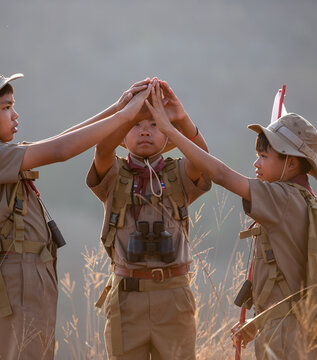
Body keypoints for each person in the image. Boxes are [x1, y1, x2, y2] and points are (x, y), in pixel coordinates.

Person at [0, 64, 154, 359]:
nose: (15, 115)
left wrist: (117, 107)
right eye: (6, 107)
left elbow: (59, 141)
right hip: (16, 277)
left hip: (28, 273)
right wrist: (127, 115)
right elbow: (60, 150)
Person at [145, 83, 317, 359]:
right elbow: (290, 283)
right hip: (294, 329)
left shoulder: (282, 198)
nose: (256, 164)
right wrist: (258, 324)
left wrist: (171, 129)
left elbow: (219, 174)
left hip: (287, 338)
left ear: (291, 163)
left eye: (264, 156)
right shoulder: (303, 200)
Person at [86, 79, 211, 359]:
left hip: (174, 294)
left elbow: (203, 160)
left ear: (168, 135)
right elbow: (102, 151)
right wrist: (124, 112)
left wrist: (181, 119)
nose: (145, 131)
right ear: (121, 135)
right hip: (127, 297)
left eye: (154, 125)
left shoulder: (177, 173)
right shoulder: (114, 175)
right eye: (136, 126)